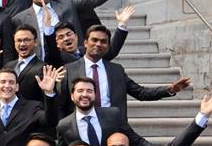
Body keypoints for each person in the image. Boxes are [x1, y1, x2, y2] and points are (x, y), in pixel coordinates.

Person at [59, 24, 189, 120]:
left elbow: (140, 92)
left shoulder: (116, 70)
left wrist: (169, 89)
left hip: (113, 127)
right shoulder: (69, 70)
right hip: (81, 127)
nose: (98, 44)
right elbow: (60, 104)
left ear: (108, 46)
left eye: (103, 41)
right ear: (85, 43)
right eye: (94, 40)